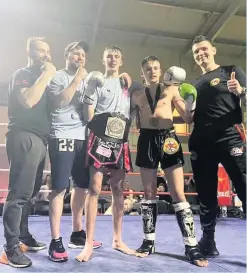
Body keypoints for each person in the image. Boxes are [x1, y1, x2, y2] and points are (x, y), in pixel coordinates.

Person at [131, 56, 208, 267]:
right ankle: (148, 241)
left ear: (161, 69)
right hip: (146, 139)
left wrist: (191, 98)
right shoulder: (137, 94)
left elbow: (187, 118)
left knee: (178, 193)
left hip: (168, 139)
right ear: (143, 72)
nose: (152, 71)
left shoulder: (173, 90)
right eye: (148, 69)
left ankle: (191, 245)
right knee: (148, 194)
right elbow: (135, 120)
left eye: (156, 67)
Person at [76, 46, 144, 262]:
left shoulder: (128, 84)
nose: (112, 59)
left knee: (117, 188)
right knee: (94, 188)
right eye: (109, 57)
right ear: (103, 60)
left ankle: (117, 239)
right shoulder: (97, 81)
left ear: (121, 60)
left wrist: (131, 80)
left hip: (120, 139)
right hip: (99, 137)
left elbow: (143, 95)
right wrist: (88, 91)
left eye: (116, 56)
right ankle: (88, 244)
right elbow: (88, 116)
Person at [0, 37, 56, 268]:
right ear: (29, 53)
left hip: (40, 139)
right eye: (39, 50)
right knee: (19, 193)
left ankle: (22, 236)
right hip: (24, 136)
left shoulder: (45, 79)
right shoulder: (22, 74)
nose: (44, 54)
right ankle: (10, 248)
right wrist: (47, 73)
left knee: (31, 192)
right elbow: (29, 100)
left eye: (47, 50)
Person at [188, 35, 246, 257]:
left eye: (204, 49)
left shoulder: (231, 71)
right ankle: (208, 241)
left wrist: (240, 92)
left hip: (229, 135)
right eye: (196, 52)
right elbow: (189, 116)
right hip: (202, 141)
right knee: (205, 193)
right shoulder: (193, 85)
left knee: (243, 185)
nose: (201, 54)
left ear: (213, 50)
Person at [46, 41, 102, 262]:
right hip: (62, 135)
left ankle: (77, 233)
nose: (80, 58)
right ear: (66, 56)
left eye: (83, 55)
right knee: (59, 187)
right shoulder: (58, 77)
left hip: (83, 138)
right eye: (75, 54)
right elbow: (60, 102)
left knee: (82, 186)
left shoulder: (89, 81)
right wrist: (79, 78)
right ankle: (55, 240)